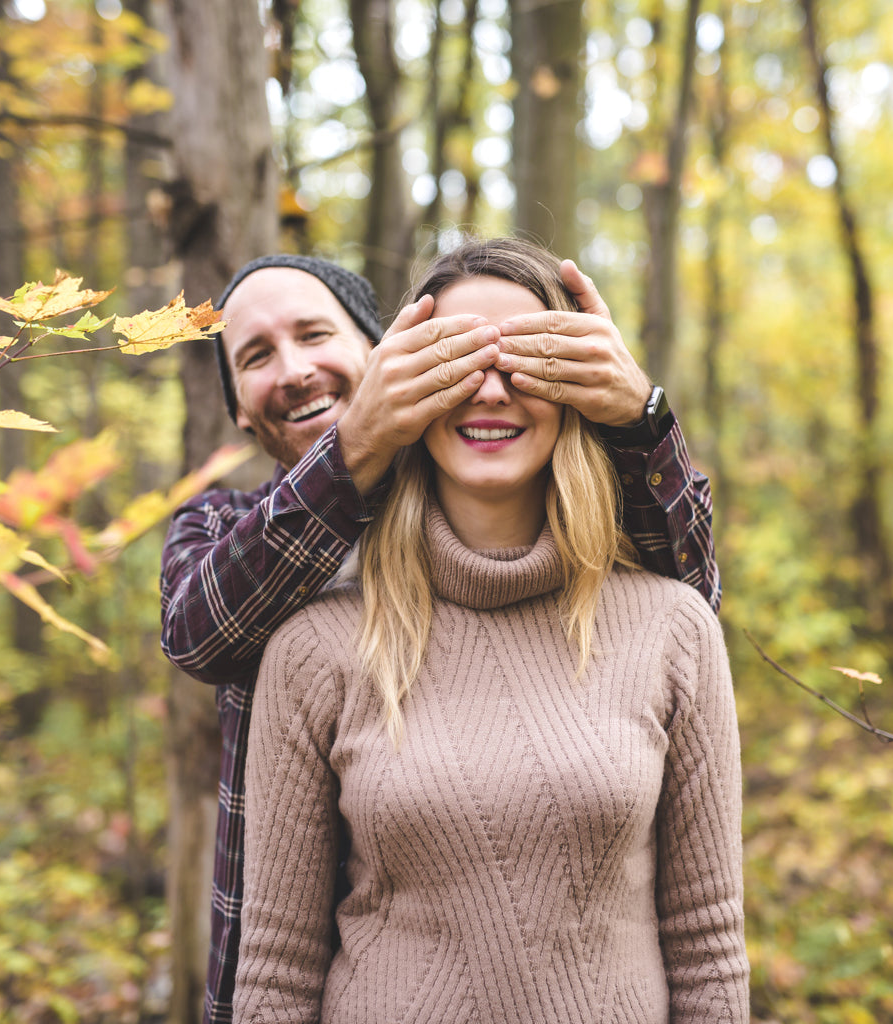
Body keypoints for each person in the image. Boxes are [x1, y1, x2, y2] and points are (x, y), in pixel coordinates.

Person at [160, 250, 720, 1024]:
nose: (292, 370)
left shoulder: (495, 469)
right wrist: (356, 447)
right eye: (255, 357)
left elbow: (686, 596)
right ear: (239, 410)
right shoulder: (226, 534)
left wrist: (637, 415)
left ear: (381, 347)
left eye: (316, 334)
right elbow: (196, 634)